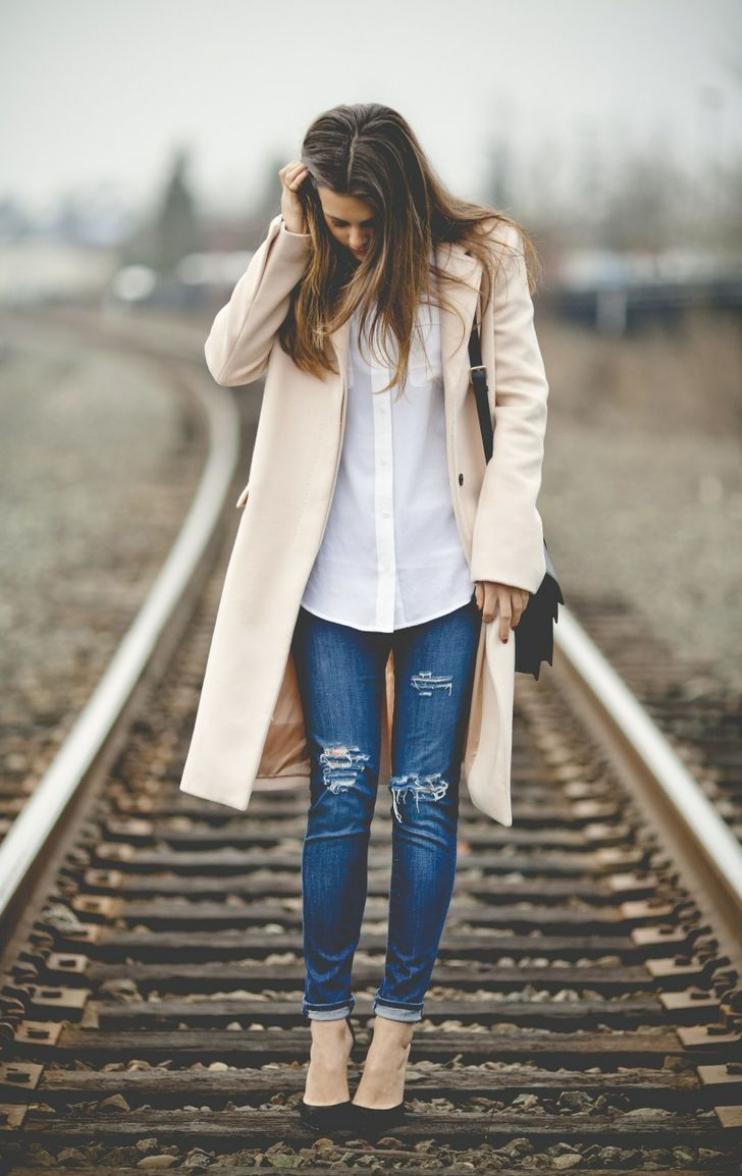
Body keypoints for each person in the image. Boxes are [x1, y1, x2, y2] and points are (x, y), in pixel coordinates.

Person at [196, 102, 549, 1134]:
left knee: (425, 804)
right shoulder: (311, 260)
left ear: (403, 196)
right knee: (342, 801)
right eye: (339, 219)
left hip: (447, 579)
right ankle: (325, 1033)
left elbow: (522, 400)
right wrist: (295, 234)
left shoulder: (481, 258)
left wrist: (509, 549)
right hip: (332, 584)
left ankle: (396, 1030)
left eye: (366, 222)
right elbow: (227, 360)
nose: (357, 239)